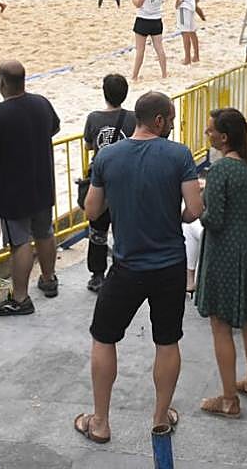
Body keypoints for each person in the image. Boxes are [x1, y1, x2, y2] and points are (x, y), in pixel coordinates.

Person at [77, 91, 202, 441]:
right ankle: (160, 416)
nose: (173, 126)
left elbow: (92, 211)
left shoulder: (108, 156)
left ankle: (100, 421)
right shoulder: (179, 155)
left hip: (127, 266)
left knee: (103, 338)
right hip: (170, 266)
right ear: (159, 120)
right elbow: (195, 208)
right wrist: (175, 215)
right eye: (172, 121)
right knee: (167, 340)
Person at [194, 108, 247, 418]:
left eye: (211, 130)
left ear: (224, 137)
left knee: (221, 323)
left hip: (227, 250)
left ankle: (228, 398)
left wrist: (195, 211)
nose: (207, 134)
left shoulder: (221, 171)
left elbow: (213, 219)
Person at [0, 60, 61, 316]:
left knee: (20, 242)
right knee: (45, 232)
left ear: (1, 83)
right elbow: (55, 127)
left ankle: (20, 298)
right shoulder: (41, 102)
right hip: (42, 182)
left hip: (11, 190)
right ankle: (49, 278)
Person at [82, 73, 136, 292]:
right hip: (128, 180)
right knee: (125, 227)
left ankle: (97, 275)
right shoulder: (133, 117)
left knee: (97, 230)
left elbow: (88, 146)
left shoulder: (94, 118)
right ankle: (125, 269)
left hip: (101, 181)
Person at [129, 0, 169, 81]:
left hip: (143, 19)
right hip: (156, 20)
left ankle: (134, 76)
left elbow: (137, 4)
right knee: (159, 49)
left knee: (140, 50)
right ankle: (164, 74)